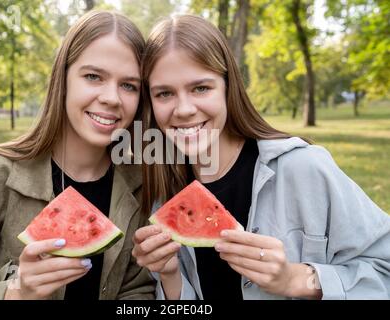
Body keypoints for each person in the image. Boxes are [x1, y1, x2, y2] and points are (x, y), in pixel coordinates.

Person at [131, 14, 390, 300]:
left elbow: (384, 270)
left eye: (201, 88)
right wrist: (169, 276)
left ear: (228, 87)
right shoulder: (166, 197)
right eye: (164, 94)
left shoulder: (304, 168)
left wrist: (296, 279)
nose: (183, 109)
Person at [0, 10, 155, 300]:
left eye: (128, 85)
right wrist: (16, 293)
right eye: (93, 76)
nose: (111, 98)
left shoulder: (141, 186)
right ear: (62, 79)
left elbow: (137, 291)